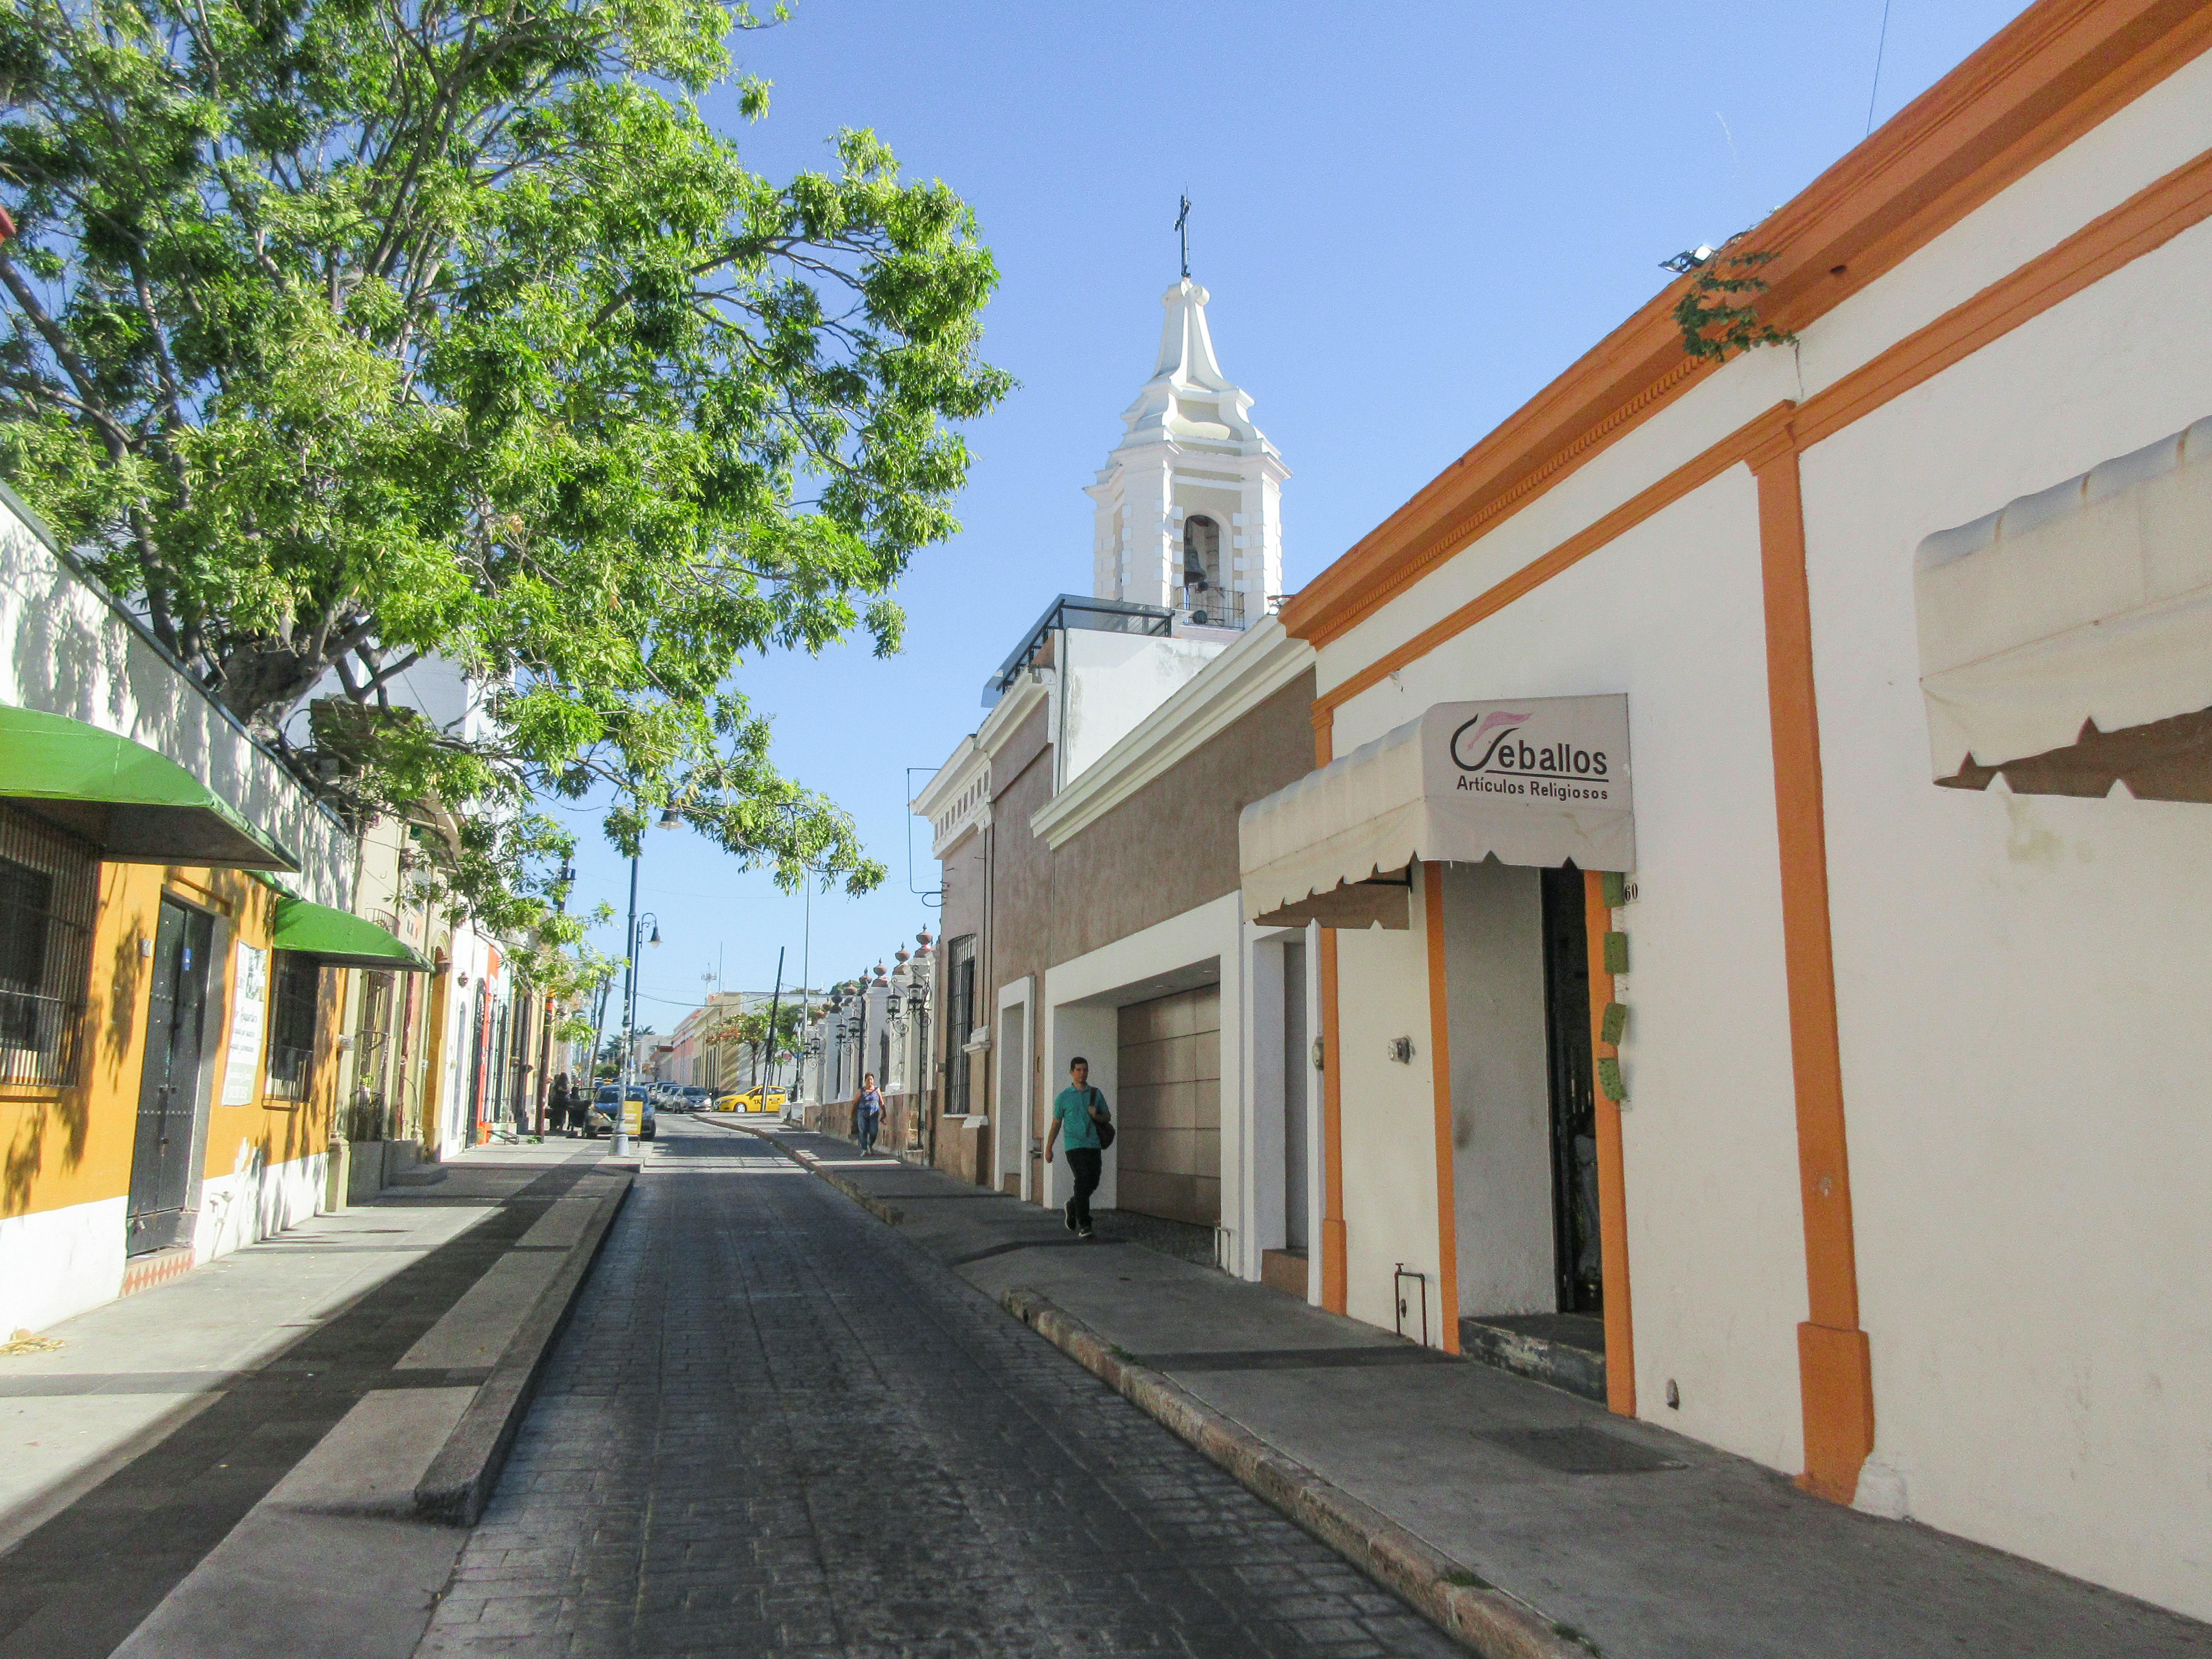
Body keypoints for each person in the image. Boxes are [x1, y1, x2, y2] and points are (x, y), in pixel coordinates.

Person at [1044, 1056, 1109, 1239]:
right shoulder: (1064, 1098)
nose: (1082, 1073)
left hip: (1094, 1145)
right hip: (1074, 1146)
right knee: (1082, 1180)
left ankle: (1073, 1206)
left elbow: (1108, 1118)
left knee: (1093, 1182)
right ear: (1072, 1072)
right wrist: (1049, 1148)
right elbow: (1056, 1124)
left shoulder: (1096, 1094)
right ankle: (1085, 1224)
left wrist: (1098, 1115)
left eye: (1085, 1070)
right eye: (1079, 1070)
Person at [853, 1073, 884, 1155]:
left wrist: (884, 1113)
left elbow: (881, 1102)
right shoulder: (862, 1091)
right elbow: (855, 1103)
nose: (870, 1081)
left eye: (872, 1080)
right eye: (868, 1080)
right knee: (863, 1132)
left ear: (874, 1081)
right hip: (862, 1114)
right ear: (865, 1081)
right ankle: (864, 1150)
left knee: (874, 1131)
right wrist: (852, 1114)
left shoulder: (877, 1090)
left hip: (874, 1114)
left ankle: (870, 1145)